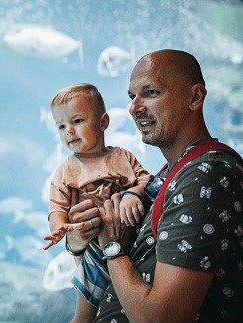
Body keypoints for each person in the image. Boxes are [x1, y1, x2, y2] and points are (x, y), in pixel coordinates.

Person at [69, 49, 243, 322]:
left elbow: (163, 318)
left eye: (150, 92)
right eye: (131, 97)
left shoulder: (207, 173)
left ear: (195, 97)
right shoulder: (170, 174)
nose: (134, 108)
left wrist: (113, 247)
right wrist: (82, 241)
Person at [42, 83, 151, 322]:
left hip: (133, 239)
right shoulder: (65, 171)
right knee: (87, 308)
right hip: (92, 246)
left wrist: (134, 193)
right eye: (61, 126)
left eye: (77, 121)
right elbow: (57, 207)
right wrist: (60, 228)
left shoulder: (123, 157)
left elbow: (147, 182)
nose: (68, 131)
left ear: (103, 122)